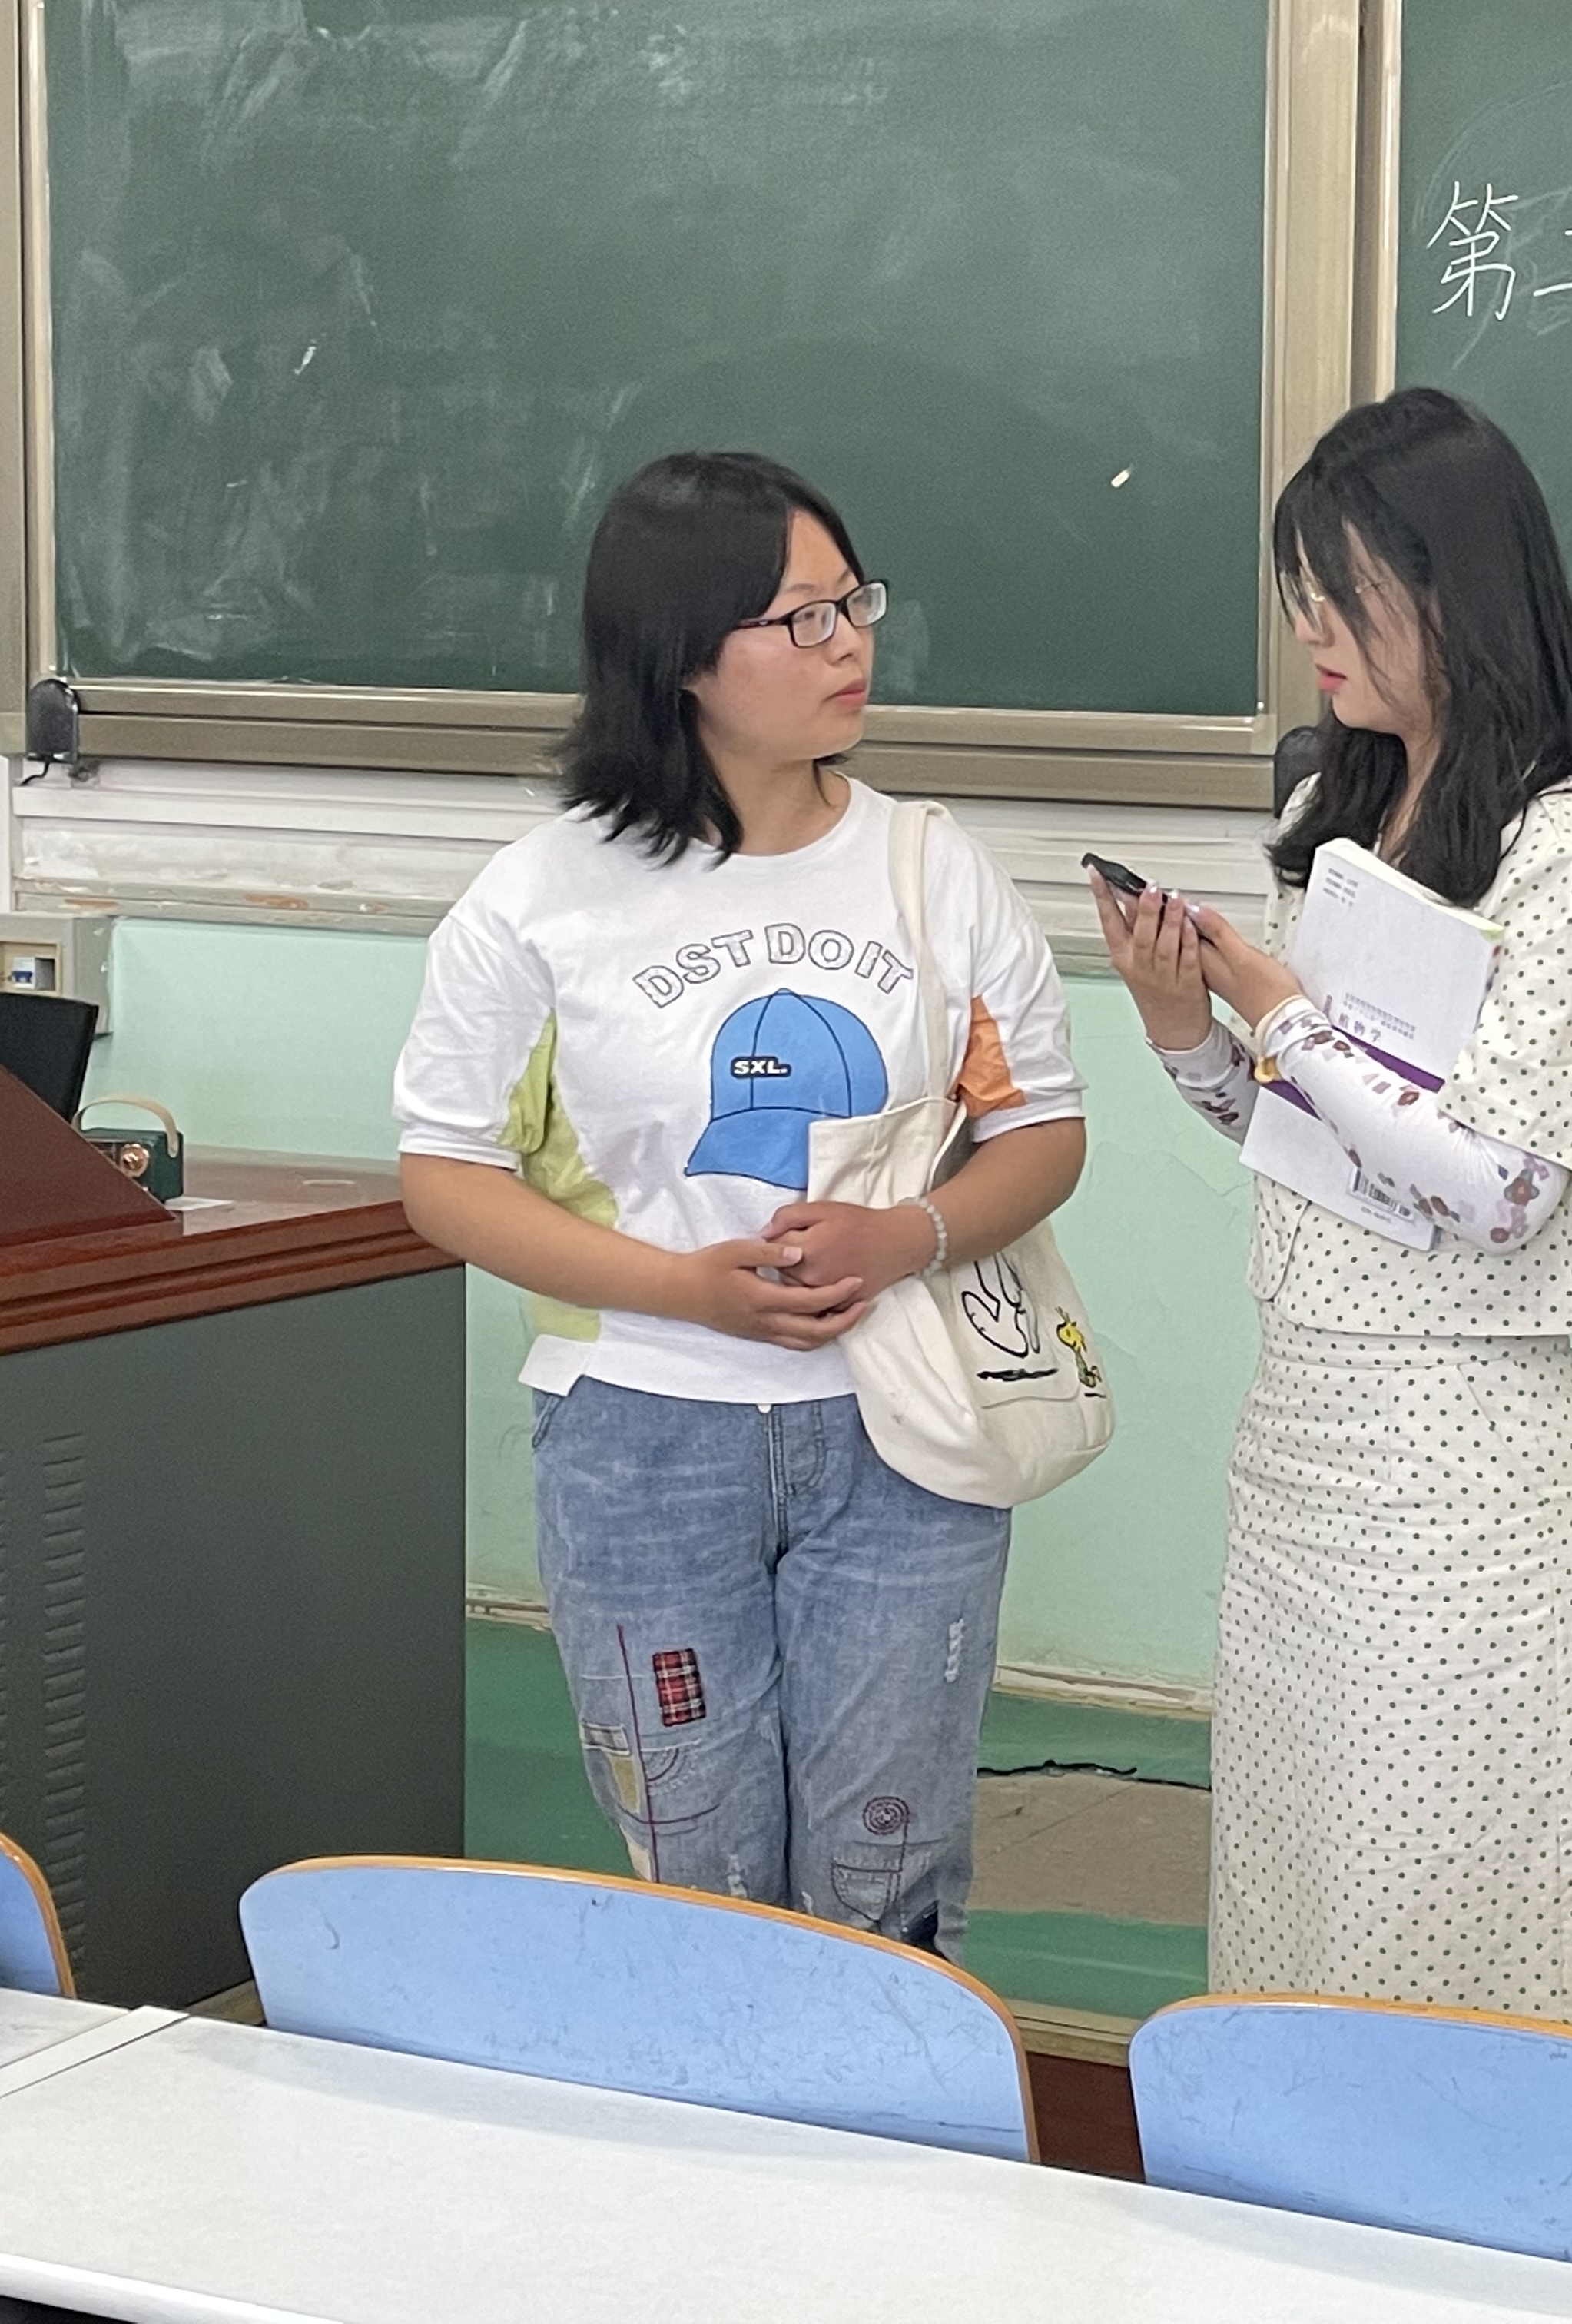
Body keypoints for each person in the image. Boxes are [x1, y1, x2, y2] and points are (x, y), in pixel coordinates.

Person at [393, 452, 1086, 1955]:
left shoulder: (933, 869)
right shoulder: (541, 898)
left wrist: (909, 1235)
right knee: (694, 1865)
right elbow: (444, 1173)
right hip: (640, 1438)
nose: (850, 645)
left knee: (887, 1866)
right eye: (800, 618)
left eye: (854, 604)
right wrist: (684, 1289)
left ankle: (887, 2110)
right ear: (683, 656)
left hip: (907, 1432)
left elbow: (1039, 1132)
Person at [1093, 387, 1572, 2029]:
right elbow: (1322, 1152)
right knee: (1298, 1902)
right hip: (1304, 1439)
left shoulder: (1567, 858)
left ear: (1457, 592)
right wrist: (1189, 1030)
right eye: (1302, 596)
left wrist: (1283, 1015)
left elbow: (1497, 1188)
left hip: (1466, 1470)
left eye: (1344, 596)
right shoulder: (1357, 814)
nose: (1311, 633)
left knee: (1440, 1916)